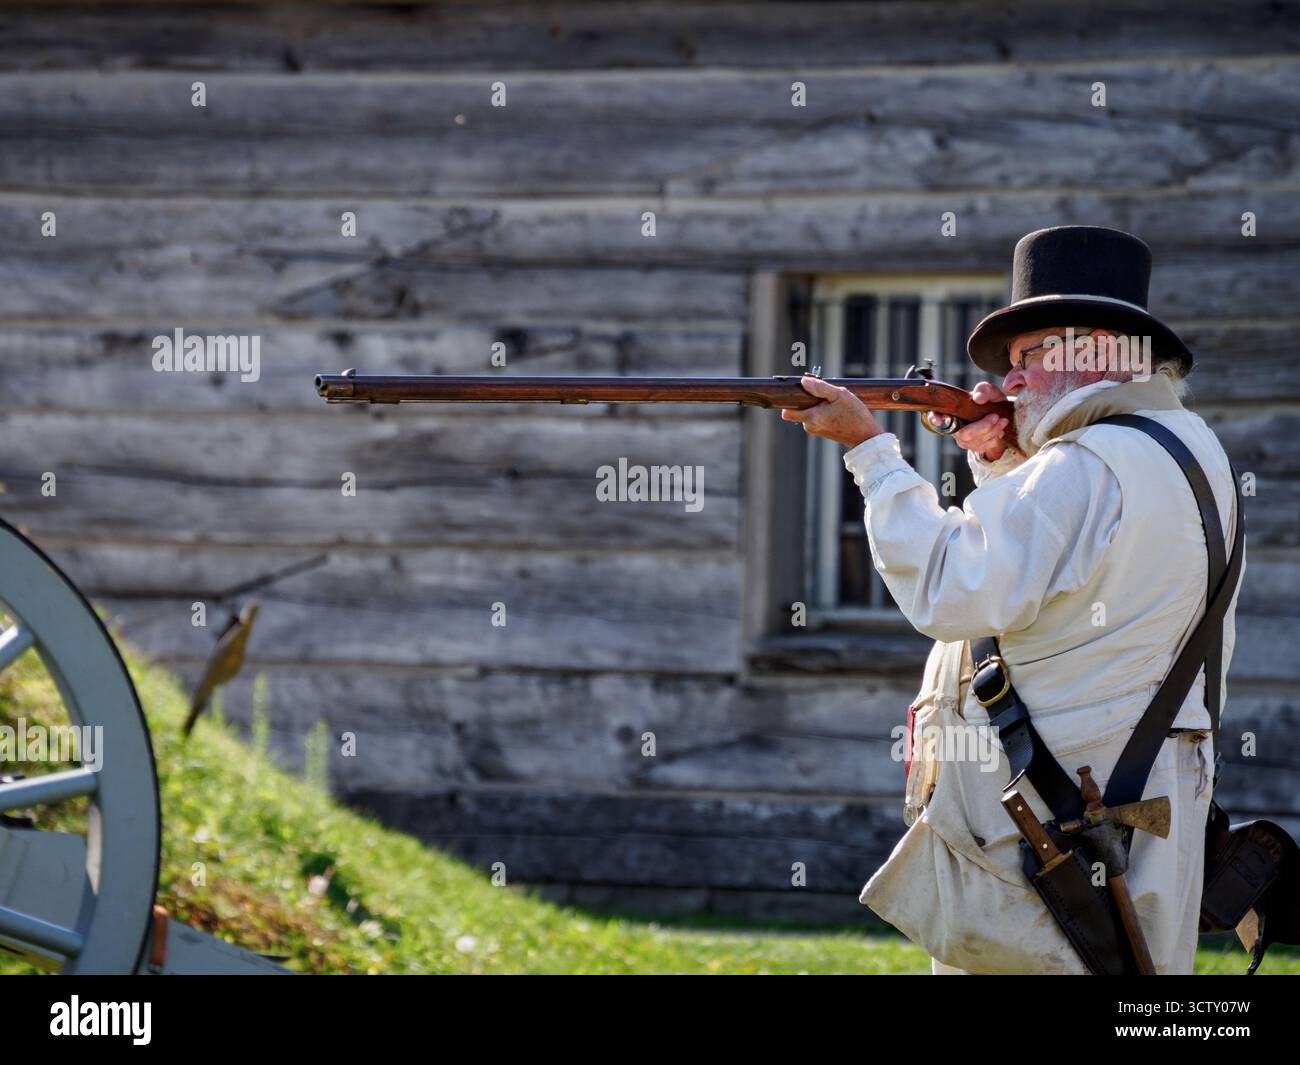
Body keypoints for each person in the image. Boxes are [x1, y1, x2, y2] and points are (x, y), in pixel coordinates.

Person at [781, 226, 1242, 974]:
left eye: (1028, 357)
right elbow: (1056, 584)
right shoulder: (1181, 448)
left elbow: (951, 590)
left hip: (1053, 827)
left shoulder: (1083, 464)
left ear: (1097, 349)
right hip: (1123, 802)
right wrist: (1006, 461)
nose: (1011, 380)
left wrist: (871, 454)